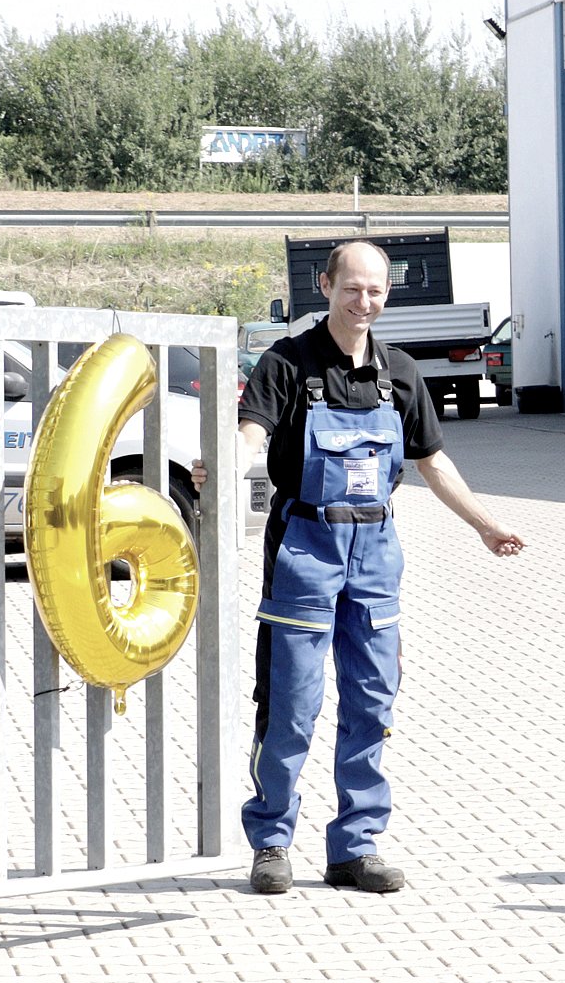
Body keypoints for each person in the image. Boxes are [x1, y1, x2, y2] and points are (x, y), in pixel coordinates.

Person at [195, 239, 524, 895]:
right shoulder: (286, 363)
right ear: (326, 284)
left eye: (375, 290)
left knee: (373, 701)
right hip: (305, 552)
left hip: (375, 555)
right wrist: (219, 468)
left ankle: (355, 845)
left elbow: (433, 462)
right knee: (291, 703)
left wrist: (486, 524)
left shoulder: (400, 373)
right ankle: (271, 839)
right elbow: (248, 437)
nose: (364, 301)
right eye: (353, 288)